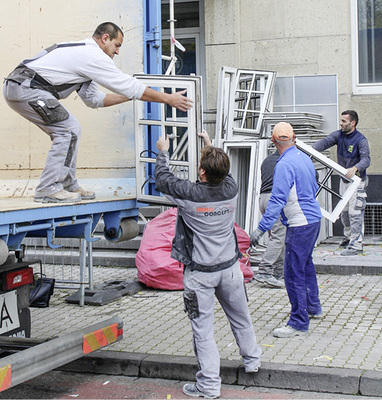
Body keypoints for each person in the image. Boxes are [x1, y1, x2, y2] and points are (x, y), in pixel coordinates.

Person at [3, 22, 193, 204]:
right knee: (68, 130)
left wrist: (129, 97)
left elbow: (94, 99)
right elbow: (129, 85)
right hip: (26, 87)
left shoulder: (85, 58)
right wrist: (168, 98)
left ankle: (67, 185)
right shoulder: (93, 56)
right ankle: (48, 188)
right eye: (117, 45)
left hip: (22, 86)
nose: (117, 51)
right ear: (105, 38)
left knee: (71, 129)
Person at [155, 130, 261, 399]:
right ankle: (252, 361)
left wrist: (163, 151)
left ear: (201, 171)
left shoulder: (189, 195)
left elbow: (163, 180)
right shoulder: (231, 188)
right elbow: (220, 170)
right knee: (241, 318)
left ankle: (210, 386)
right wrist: (210, 146)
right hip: (230, 269)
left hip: (201, 274)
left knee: (203, 331)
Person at [250, 122, 322, 338]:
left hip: (299, 224)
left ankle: (299, 322)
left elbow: (278, 199)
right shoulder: (304, 158)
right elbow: (314, 187)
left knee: (292, 273)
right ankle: (313, 307)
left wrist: (260, 229)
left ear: (273, 141)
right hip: (313, 220)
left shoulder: (283, 165)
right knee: (305, 265)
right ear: (294, 138)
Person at [312, 110, 370, 256]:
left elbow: (366, 159)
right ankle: (349, 237)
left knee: (355, 213)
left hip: (357, 181)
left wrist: (356, 167)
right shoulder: (339, 135)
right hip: (345, 180)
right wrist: (309, 149)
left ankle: (356, 244)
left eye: (344, 121)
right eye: (341, 120)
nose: (341, 123)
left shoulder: (360, 140)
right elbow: (324, 142)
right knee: (344, 213)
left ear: (353, 123)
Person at [253, 150, 286, 288]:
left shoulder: (267, 160)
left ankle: (278, 271)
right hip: (275, 199)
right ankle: (265, 271)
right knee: (278, 237)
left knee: (275, 236)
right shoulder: (286, 160)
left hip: (263, 199)